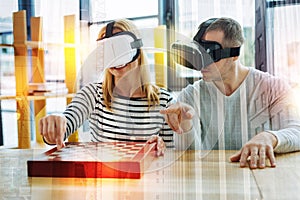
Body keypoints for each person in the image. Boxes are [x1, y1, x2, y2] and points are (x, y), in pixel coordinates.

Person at [161, 17, 300, 168]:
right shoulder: (189, 96)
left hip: (260, 177)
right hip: (211, 178)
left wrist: (271, 137)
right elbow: (189, 158)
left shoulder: (274, 88)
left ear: (234, 54)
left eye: (210, 54)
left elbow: (297, 132)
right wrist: (185, 124)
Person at [39, 18, 175, 156]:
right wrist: (56, 124)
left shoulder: (165, 101)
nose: (116, 60)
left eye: (121, 48)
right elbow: (66, 123)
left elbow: (172, 153)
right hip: (104, 176)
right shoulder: (93, 94)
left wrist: (161, 146)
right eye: (107, 52)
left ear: (138, 49)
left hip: (147, 175)